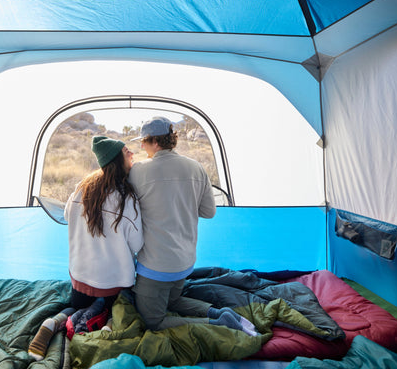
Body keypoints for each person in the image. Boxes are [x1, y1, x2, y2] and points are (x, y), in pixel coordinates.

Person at [129, 116, 257, 335]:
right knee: (175, 300)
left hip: (155, 267)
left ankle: (219, 324)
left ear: (155, 141)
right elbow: (209, 211)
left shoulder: (138, 171)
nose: (141, 146)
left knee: (154, 322)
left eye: (144, 141)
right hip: (184, 264)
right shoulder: (196, 168)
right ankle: (218, 313)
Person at [65, 135, 143, 311]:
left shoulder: (81, 188)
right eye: (125, 151)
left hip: (79, 279)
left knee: (77, 317)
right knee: (111, 320)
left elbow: (66, 215)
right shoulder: (126, 199)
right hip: (113, 284)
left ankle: (55, 323)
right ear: (116, 160)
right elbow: (138, 244)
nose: (132, 153)